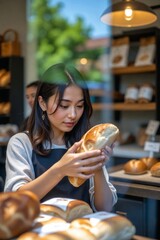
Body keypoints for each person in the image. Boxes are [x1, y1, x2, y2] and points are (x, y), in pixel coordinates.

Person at [4, 63, 117, 212]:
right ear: (42, 103)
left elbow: (105, 208)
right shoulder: (21, 143)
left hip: (81, 230)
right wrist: (60, 170)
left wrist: (98, 167)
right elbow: (15, 202)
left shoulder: (86, 144)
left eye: (80, 106)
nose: (73, 115)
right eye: (64, 106)